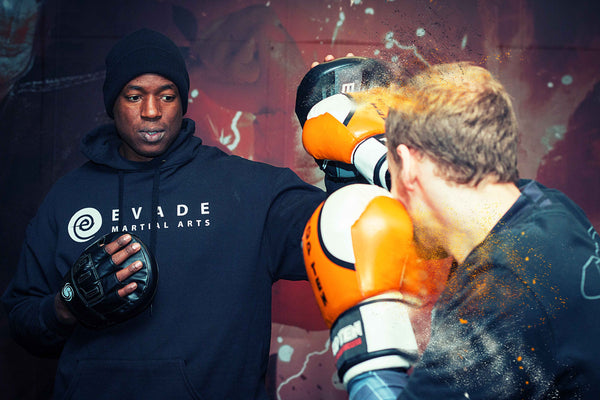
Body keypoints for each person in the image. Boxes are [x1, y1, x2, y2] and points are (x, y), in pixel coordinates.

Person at [1, 28, 326, 399]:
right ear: (113, 103)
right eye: (134, 96)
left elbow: (351, 230)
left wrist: (348, 145)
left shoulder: (250, 190)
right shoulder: (69, 196)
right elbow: (22, 319)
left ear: (182, 101)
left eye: (167, 96)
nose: (152, 112)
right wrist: (66, 306)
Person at [308, 62, 600, 399]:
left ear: (411, 163)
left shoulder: (500, 294)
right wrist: (369, 151)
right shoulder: (548, 209)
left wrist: (366, 354)